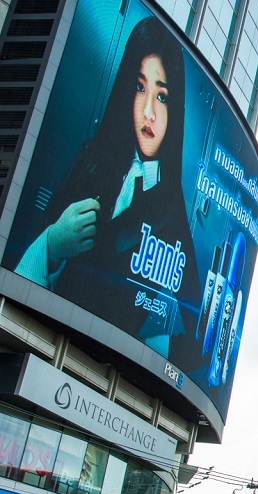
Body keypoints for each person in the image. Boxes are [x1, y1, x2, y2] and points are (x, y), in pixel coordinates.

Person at [11, 16, 196, 360]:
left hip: (102, 366)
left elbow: (185, 335)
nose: (149, 112)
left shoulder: (174, 213)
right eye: (139, 88)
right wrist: (52, 242)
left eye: (162, 96)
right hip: (35, 340)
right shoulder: (92, 159)